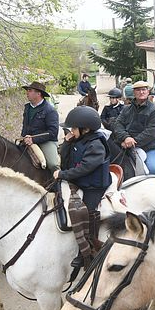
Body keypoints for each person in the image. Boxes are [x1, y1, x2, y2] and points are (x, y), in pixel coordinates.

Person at [55, 106, 112, 266]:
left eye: (74, 128)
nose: (71, 130)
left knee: (87, 211)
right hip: (80, 180)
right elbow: (65, 160)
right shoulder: (78, 140)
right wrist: (66, 142)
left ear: (85, 129)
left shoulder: (96, 145)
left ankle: (88, 248)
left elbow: (85, 167)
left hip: (94, 185)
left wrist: (62, 175)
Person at [111, 80, 155, 175]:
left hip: (149, 147)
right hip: (126, 144)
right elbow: (118, 124)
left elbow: (152, 132)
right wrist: (125, 137)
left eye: (144, 89)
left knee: (153, 169)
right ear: (134, 92)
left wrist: (132, 142)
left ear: (148, 92)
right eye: (138, 90)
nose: (141, 92)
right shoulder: (126, 109)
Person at [20, 81, 60, 173]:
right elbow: (25, 126)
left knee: (53, 164)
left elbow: (53, 132)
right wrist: (23, 137)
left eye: (30, 90)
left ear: (38, 93)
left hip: (46, 141)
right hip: (27, 139)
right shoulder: (27, 108)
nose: (27, 92)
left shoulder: (50, 110)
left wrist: (34, 139)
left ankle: (58, 182)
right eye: (27, 90)